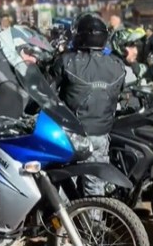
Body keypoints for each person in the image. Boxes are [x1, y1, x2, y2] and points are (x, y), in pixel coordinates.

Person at [51, 14, 126, 197]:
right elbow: (121, 92)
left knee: (63, 182)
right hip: (101, 134)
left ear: (80, 36)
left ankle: (66, 217)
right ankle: (94, 215)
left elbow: (47, 90)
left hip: (71, 135)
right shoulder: (117, 64)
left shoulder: (67, 61)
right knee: (95, 186)